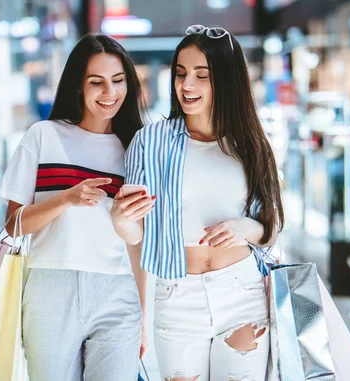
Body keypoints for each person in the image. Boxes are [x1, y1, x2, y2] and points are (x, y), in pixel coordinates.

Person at [111, 25, 284, 381]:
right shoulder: (150, 142)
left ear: (227, 80)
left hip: (243, 293)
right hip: (178, 297)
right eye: (181, 74)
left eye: (201, 76)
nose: (186, 85)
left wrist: (244, 228)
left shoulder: (250, 143)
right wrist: (120, 218)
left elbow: (272, 226)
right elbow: (135, 236)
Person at [0, 33, 151, 380]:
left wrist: (144, 314)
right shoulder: (43, 136)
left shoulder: (136, 149)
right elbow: (13, 225)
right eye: (96, 82)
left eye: (118, 81)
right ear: (78, 86)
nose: (109, 93)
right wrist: (66, 197)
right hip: (51, 288)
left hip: (118, 291)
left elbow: (138, 243)